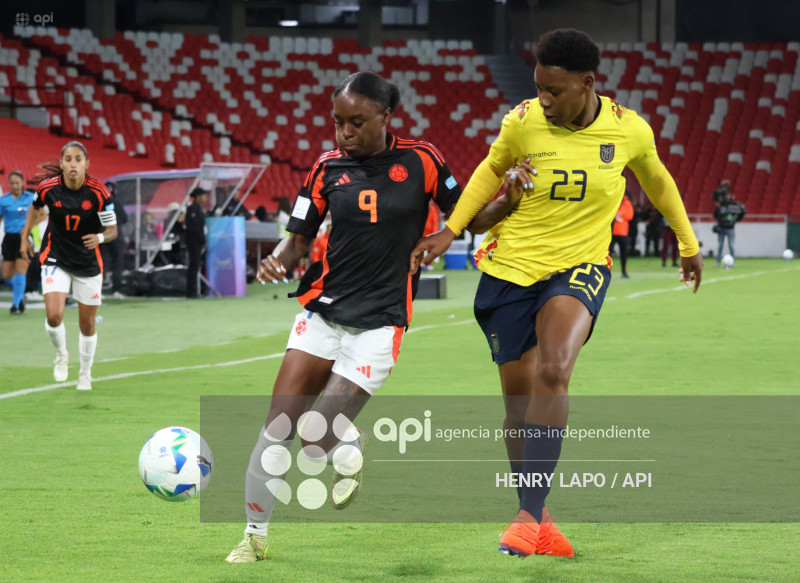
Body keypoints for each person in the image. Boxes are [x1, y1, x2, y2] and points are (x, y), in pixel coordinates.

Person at [410, 28, 702, 559]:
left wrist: (687, 242)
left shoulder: (628, 131)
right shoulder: (522, 122)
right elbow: (488, 171)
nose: (544, 100)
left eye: (555, 91)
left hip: (579, 267)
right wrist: (449, 230)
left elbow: (658, 181)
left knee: (554, 369)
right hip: (510, 270)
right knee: (520, 406)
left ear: (588, 83)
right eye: (539, 88)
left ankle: (525, 515)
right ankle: (538, 518)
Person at [225, 71, 461, 563]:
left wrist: (457, 229)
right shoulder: (326, 168)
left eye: (356, 122)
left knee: (315, 437)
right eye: (338, 123)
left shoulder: (424, 160)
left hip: (380, 321)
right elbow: (297, 239)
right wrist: (279, 260)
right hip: (324, 312)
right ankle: (253, 536)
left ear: (385, 117)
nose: (344, 133)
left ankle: (344, 446)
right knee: (277, 428)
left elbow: (466, 210)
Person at [20, 141, 118, 391]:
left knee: (87, 325)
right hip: (56, 258)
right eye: (68, 159)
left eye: (77, 159)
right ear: (62, 164)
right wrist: (25, 235)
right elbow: (36, 208)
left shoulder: (99, 193)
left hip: (87, 262)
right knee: (53, 316)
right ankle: (62, 355)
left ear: (87, 164)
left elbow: (112, 230)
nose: (73, 164)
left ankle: (85, 373)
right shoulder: (47, 188)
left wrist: (100, 237)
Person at [0, 171, 35, 314]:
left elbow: (43, 214)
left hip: (25, 239)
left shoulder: (30, 198)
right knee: (7, 275)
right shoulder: (4, 200)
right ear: (9, 184)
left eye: (17, 183)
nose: (15, 185)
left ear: (22, 183)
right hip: (9, 238)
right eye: (12, 183)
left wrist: (28, 228)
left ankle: (16, 305)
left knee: (21, 271)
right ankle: (20, 294)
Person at [100, 181, 128, 299]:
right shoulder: (116, 202)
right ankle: (116, 290)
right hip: (116, 236)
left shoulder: (99, 203)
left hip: (103, 236)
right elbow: (125, 218)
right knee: (117, 263)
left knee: (102, 263)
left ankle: (98, 291)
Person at [184, 187, 208, 298]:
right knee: (193, 265)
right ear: (198, 196)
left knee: (196, 265)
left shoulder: (198, 208)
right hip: (193, 241)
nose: (205, 198)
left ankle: (195, 290)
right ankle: (191, 292)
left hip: (197, 241)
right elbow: (194, 227)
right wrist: (202, 239)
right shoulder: (192, 209)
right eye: (203, 195)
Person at [714, 189, 746, 267]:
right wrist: (719, 223)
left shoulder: (734, 205)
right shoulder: (721, 205)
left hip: (730, 228)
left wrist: (736, 220)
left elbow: (742, 212)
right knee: (720, 245)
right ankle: (718, 262)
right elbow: (716, 214)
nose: (727, 197)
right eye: (726, 195)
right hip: (721, 228)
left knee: (731, 245)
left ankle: (732, 262)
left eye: (728, 195)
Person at [609, 191, 634, 278]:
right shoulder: (612, 200)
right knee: (608, 253)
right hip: (612, 232)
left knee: (624, 254)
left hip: (623, 232)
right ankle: (605, 271)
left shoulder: (627, 203)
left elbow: (630, 216)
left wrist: (618, 215)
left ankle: (624, 271)